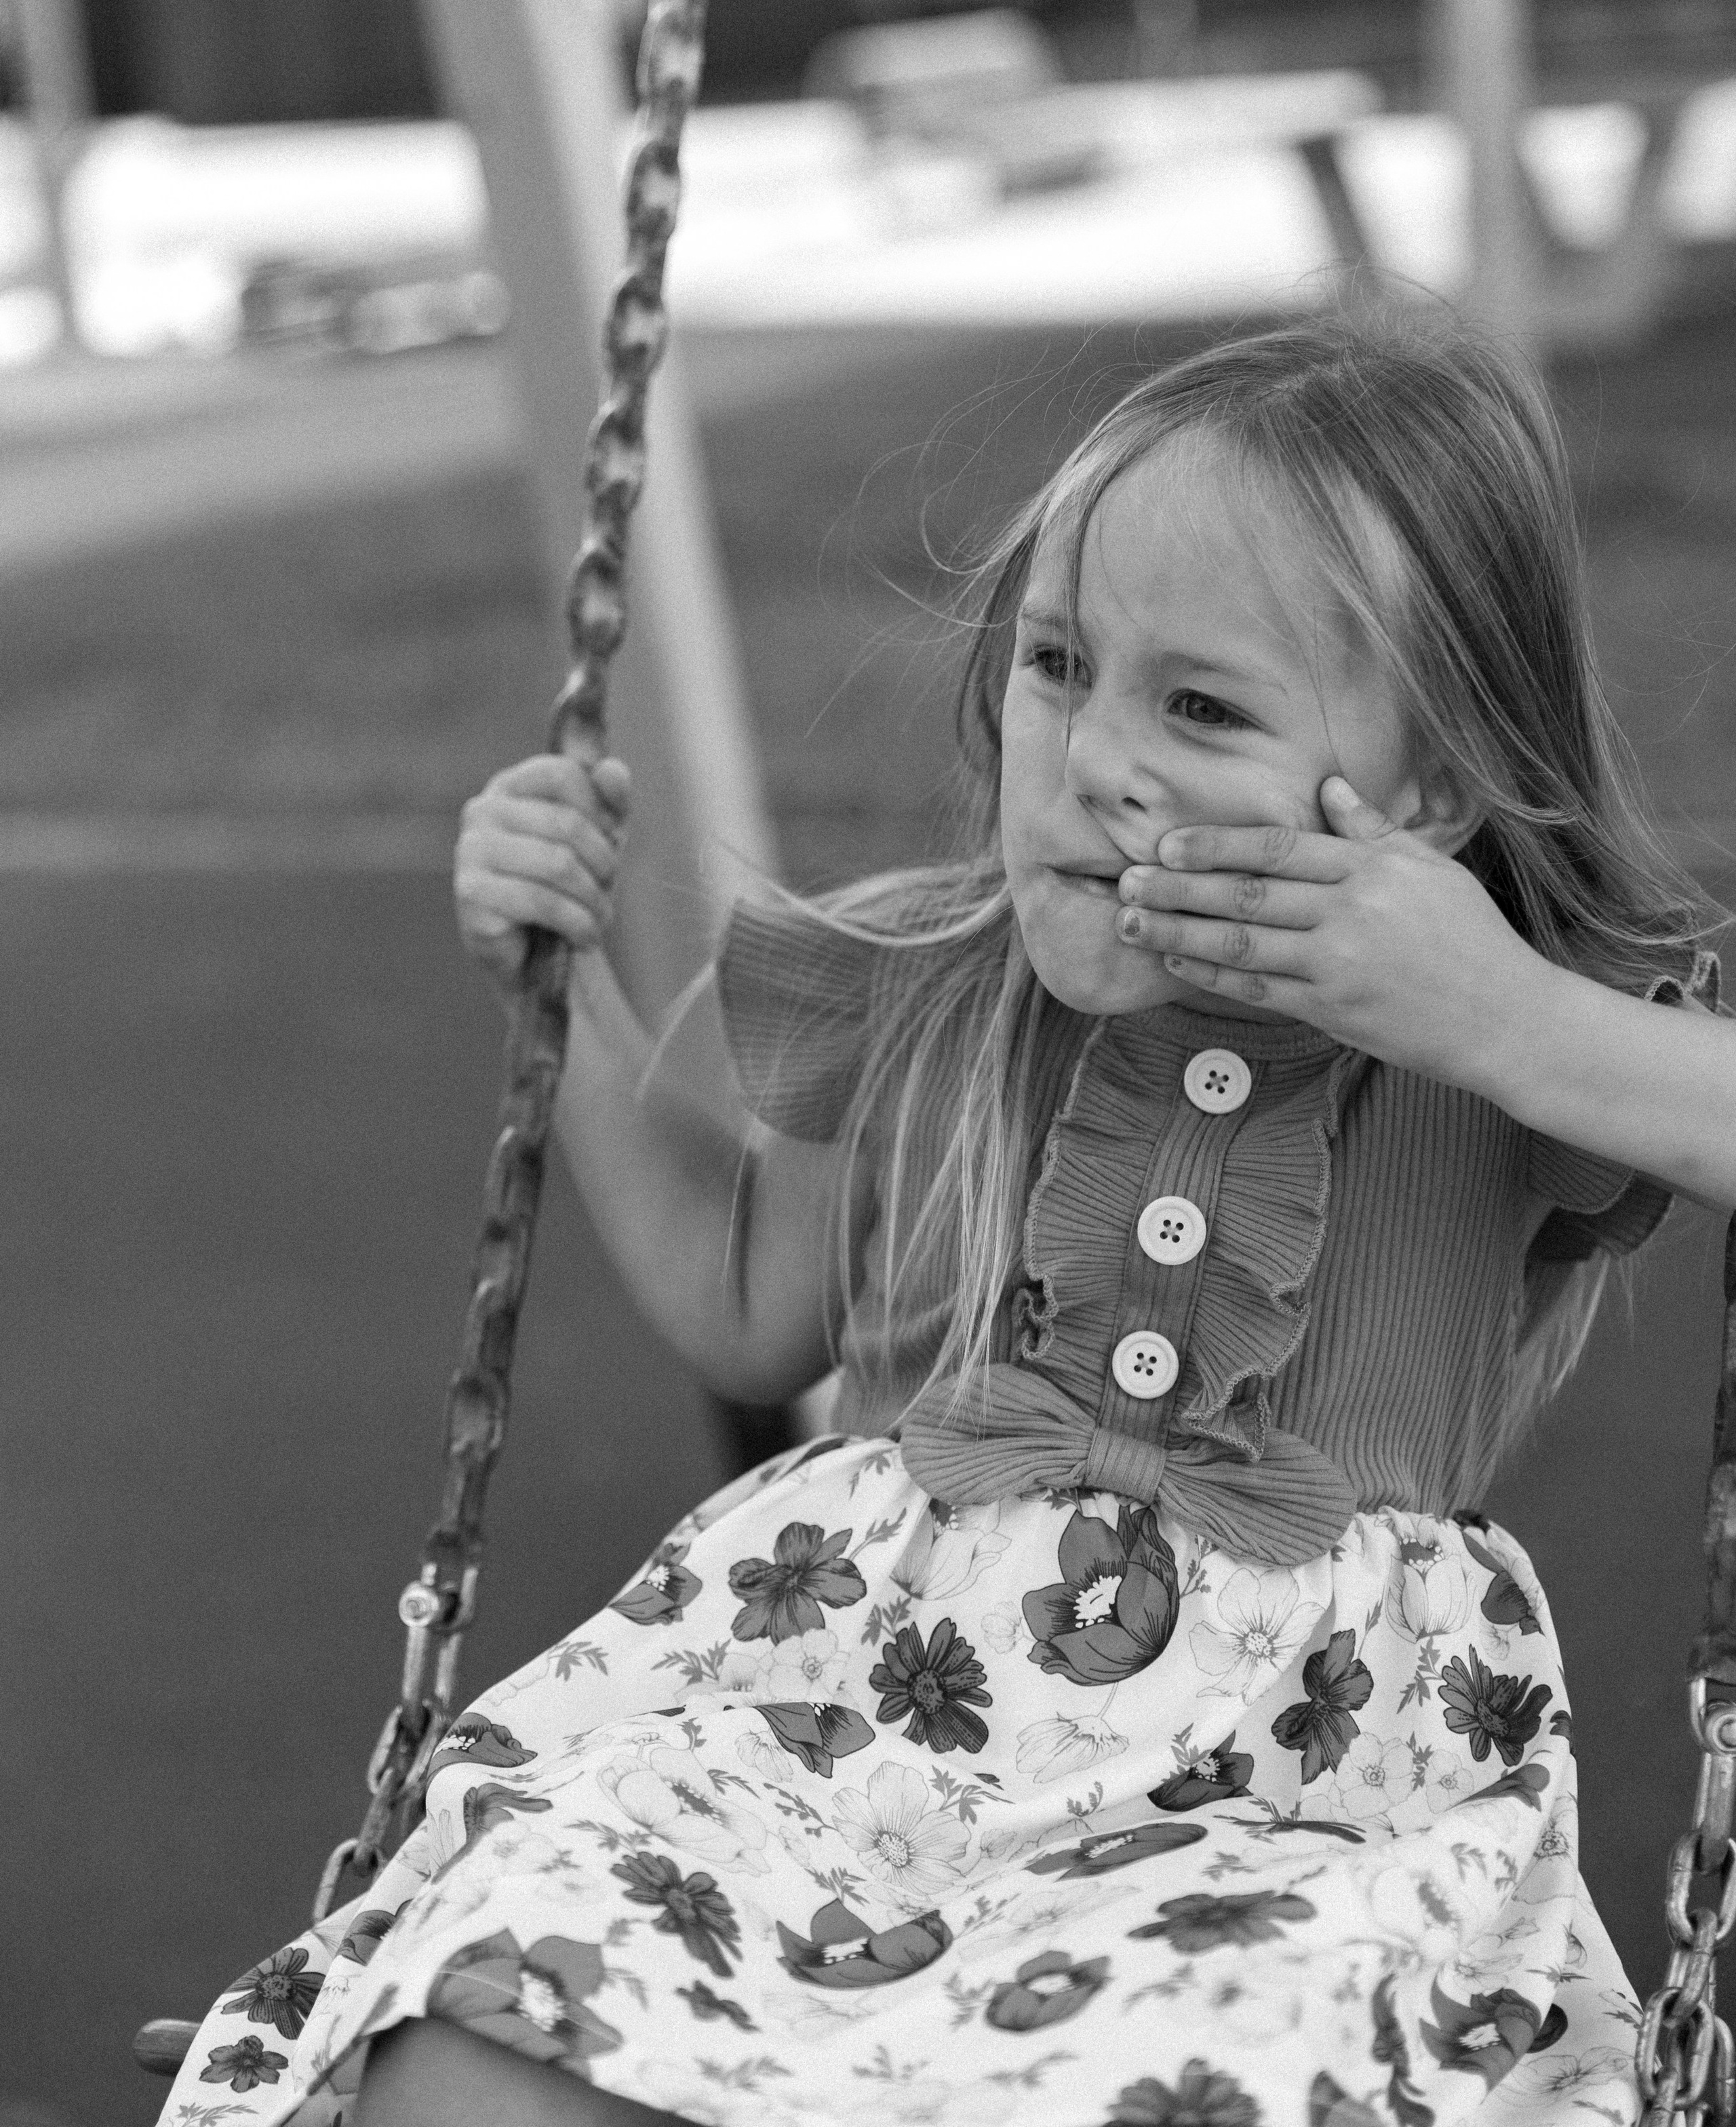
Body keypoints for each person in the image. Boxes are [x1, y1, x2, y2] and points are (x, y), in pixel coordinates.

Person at [161, 311, 1735, 2127]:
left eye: (1201, 707)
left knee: (1216, 2075)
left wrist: (1507, 1015)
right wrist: (566, 1000)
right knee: (488, 1999)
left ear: (1431, 792)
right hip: (838, 1741)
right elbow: (751, 1300)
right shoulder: (932, 985)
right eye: (1061, 666)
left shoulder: (1497, 1067)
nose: (1091, 759)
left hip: (1282, 1825)